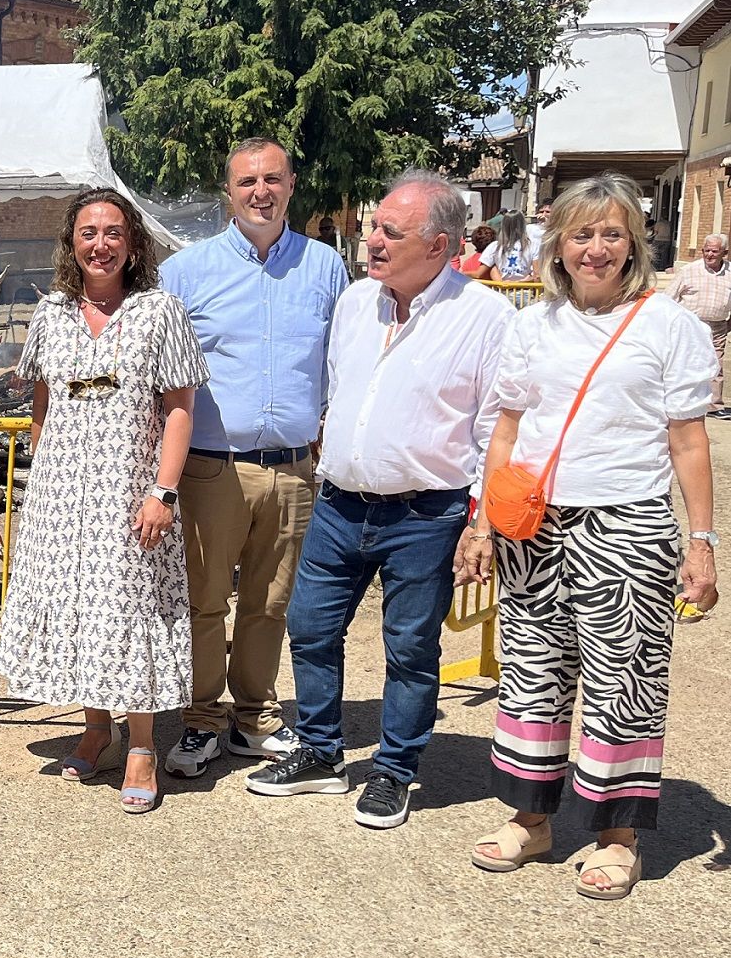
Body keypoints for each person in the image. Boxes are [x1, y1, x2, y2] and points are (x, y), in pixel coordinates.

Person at [456, 173, 716, 900]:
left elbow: (687, 441)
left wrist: (701, 541)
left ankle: (615, 834)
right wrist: (482, 522)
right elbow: (506, 429)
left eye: (610, 233)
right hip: (533, 525)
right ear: (557, 245)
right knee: (531, 668)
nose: (595, 248)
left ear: (633, 240)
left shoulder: (668, 325)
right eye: (580, 234)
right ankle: (529, 817)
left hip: (625, 521)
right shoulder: (532, 324)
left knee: (623, 679)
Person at [248, 170, 511, 828]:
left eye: (390, 231)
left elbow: (495, 426)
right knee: (308, 628)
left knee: (410, 648)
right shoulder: (354, 303)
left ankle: (393, 770)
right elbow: (340, 390)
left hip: (425, 514)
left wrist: (480, 523)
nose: (371, 240)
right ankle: (318, 752)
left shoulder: (483, 316)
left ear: (440, 245)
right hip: (338, 504)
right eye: (372, 226)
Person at [0, 189, 206, 811]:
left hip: (132, 496)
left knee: (129, 609)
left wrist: (162, 492)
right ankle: (97, 729)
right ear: (72, 243)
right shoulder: (51, 315)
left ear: (133, 243)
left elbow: (178, 410)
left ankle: (141, 743)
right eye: (88, 233)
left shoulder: (158, 312)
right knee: (83, 609)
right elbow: (43, 407)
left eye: (113, 232)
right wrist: (48, 479)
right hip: (63, 500)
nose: (101, 244)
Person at [159, 138, 347, 776]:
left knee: (272, 603)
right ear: (228, 193)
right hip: (214, 467)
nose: (259, 192)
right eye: (246, 182)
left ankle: (254, 718)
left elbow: (341, 362)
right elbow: (161, 373)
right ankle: (201, 718)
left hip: (295, 467)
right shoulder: (186, 273)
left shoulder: (326, 268)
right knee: (205, 599)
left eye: (271, 179)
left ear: (291, 184)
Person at [667, 232, 731, 419]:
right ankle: (679, 400)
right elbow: (669, 297)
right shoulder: (689, 270)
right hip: (690, 325)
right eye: (706, 251)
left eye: (714, 251)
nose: (709, 255)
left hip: (718, 326)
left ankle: (714, 405)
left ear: (724, 253)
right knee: (684, 362)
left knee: (716, 365)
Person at [486, 212, 536, 282]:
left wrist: (501, 283)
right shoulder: (532, 245)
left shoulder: (494, 246)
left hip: (502, 290)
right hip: (523, 289)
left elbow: (483, 269)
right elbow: (537, 275)